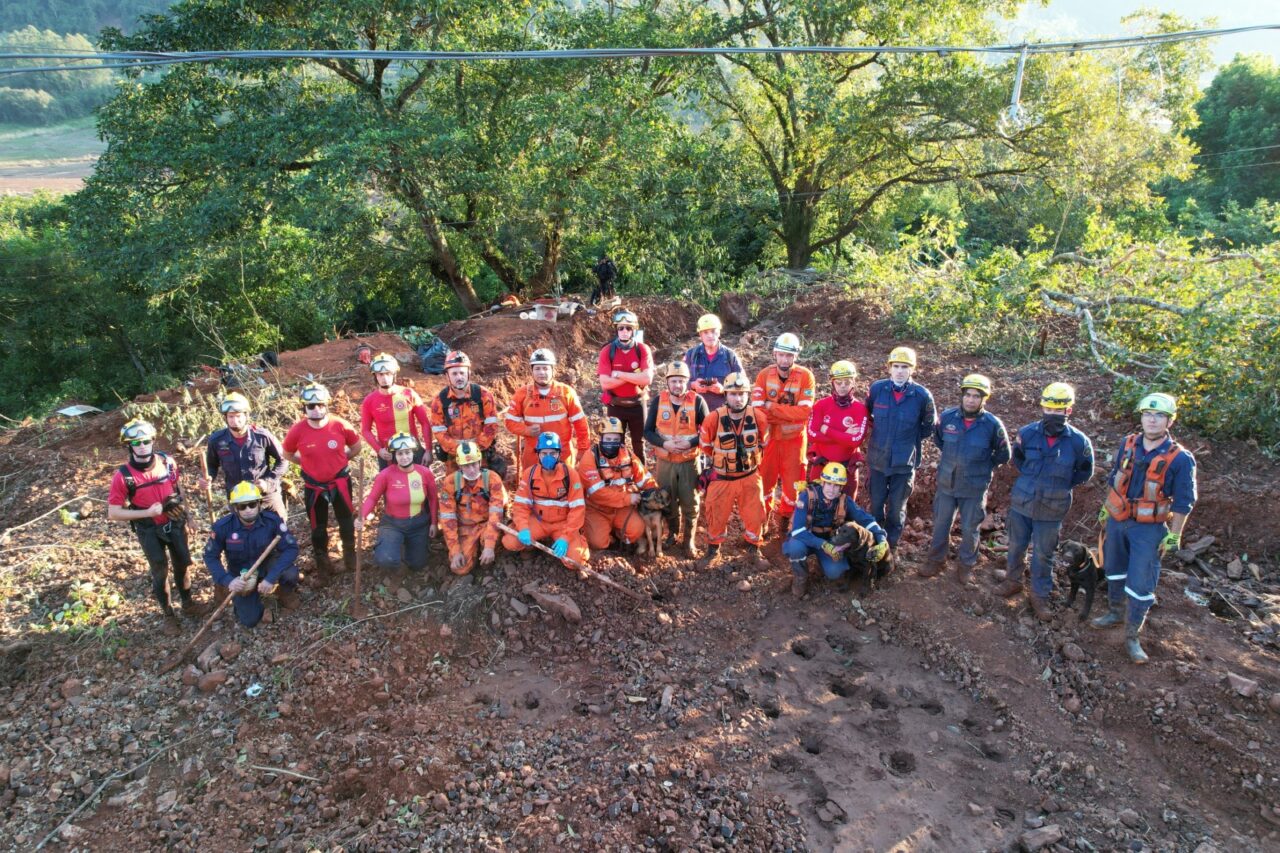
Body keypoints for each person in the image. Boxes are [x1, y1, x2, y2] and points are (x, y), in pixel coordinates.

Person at [1093, 393, 1196, 663]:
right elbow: (1115, 477)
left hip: (1148, 530)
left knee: (1140, 582)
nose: (1152, 420)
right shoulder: (1127, 444)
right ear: (1141, 416)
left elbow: (1185, 502)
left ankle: (1132, 636)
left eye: (1159, 415)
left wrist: (1175, 533)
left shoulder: (1180, 459)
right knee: (1113, 570)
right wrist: (1107, 507)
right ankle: (1115, 612)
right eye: (1148, 414)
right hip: (1118, 521)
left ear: (1169, 421)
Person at [995, 382, 1095, 620]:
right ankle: (1013, 581)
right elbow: (1018, 460)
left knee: (1044, 553)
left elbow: (1084, 473)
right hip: (1023, 503)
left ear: (1068, 411)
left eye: (1058, 411)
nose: (1053, 415)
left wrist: (1057, 487)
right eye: (1049, 409)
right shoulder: (1027, 433)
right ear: (1042, 408)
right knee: (1016, 546)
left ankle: (1039, 595)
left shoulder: (1079, 443)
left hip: (1052, 507)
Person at [107, 419, 205, 636]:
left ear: (152, 441)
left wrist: (189, 517)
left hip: (175, 520)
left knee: (183, 564)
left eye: (146, 441)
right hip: (149, 528)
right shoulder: (124, 476)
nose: (142, 445)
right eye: (136, 442)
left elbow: (179, 490)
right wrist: (147, 513)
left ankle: (187, 603)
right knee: (160, 571)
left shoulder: (167, 462)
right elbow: (113, 512)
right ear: (129, 446)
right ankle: (168, 615)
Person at [921, 374, 1011, 582]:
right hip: (947, 484)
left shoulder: (992, 425)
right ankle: (936, 560)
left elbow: (1003, 454)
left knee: (971, 529)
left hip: (974, 486)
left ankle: (966, 566)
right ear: (962, 396)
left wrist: (984, 467)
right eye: (967, 395)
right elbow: (939, 440)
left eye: (976, 396)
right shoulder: (947, 418)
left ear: (984, 399)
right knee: (941, 524)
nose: (970, 400)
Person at [282, 382, 363, 579]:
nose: (316, 409)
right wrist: (307, 464)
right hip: (314, 486)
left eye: (320, 405)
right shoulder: (297, 430)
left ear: (326, 405)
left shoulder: (340, 425)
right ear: (304, 408)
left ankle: (350, 558)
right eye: (311, 406)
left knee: (346, 521)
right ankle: (323, 564)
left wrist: (340, 461)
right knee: (317, 527)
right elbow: (288, 453)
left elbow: (356, 446)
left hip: (340, 482)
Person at [865, 347, 937, 552]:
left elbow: (928, 427)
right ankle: (875, 544)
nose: (899, 371)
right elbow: (868, 415)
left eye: (904, 367)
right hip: (878, 462)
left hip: (904, 464)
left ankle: (890, 547)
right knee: (876, 506)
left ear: (912, 369)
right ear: (889, 368)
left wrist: (906, 442)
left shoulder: (922, 396)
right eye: (895, 366)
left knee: (896, 510)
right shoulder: (877, 389)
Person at [697, 372, 770, 571]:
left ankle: (753, 549)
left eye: (742, 394)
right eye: (733, 394)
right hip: (722, 478)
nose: (738, 398)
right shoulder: (713, 419)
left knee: (755, 515)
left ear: (748, 395)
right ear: (726, 395)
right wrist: (723, 460)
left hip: (750, 476)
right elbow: (705, 445)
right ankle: (713, 550)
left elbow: (764, 443)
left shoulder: (759, 417)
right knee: (715, 514)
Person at [784, 463, 891, 598]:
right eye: (828, 484)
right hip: (807, 539)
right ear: (822, 483)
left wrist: (882, 540)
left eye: (836, 486)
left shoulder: (845, 501)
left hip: (831, 541)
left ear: (841, 487)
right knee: (795, 547)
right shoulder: (807, 496)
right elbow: (798, 531)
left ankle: (822, 564)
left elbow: (867, 520)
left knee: (836, 572)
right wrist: (823, 545)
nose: (831, 489)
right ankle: (800, 577)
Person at [203, 482, 300, 627]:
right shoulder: (222, 527)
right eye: (242, 506)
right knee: (250, 620)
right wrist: (227, 580)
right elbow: (210, 556)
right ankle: (241, 597)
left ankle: (284, 592)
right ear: (235, 508)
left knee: (290, 574)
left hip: (267, 565)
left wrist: (271, 577)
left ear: (259, 504)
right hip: (241, 574)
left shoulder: (272, 521)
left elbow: (291, 548)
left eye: (252, 504)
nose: (248, 510)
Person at [644, 361, 711, 558]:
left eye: (681, 381)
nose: (677, 385)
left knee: (690, 502)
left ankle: (688, 540)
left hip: (689, 462)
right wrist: (664, 444)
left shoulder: (697, 401)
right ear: (667, 382)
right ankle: (672, 533)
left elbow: (707, 431)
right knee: (668, 500)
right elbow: (647, 431)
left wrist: (690, 443)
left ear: (687, 382)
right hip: (665, 462)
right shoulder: (658, 401)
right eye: (674, 381)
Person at [753, 333, 816, 530]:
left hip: (794, 442)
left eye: (789, 356)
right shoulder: (764, 375)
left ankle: (786, 520)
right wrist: (788, 413)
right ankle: (763, 519)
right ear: (774, 353)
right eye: (781, 354)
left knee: (794, 487)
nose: (784, 359)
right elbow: (756, 411)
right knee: (764, 482)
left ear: (795, 356)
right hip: (769, 440)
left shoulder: (806, 376)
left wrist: (771, 407)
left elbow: (804, 412)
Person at [501, 432, 590, 569]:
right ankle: (529, 548)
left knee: (575, 561)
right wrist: (523, 528)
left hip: (563, 524)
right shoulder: (529, 474)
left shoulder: (570, 475)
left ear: (559, 454)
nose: (548, 457)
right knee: (510, 542)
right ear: (538, 455)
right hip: (538, 521)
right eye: (544, 453)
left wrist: (566, 537)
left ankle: (571, 543)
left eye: (553, 453)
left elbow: (577, 510)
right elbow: (520, 505)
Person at [357, 433, 439, 576]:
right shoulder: (385, 475)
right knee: (386, 560)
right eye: (400, 454)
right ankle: (392, 546)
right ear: (395, 455)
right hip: (393, 524)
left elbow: (433, 499)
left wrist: (433, 523)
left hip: (419, 523)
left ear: (413, 453)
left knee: (418, 564)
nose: (404, 457)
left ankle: (405, 547)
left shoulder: (425, 473)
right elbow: (372, 498)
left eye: (407, 452)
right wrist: (361, 516)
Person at [202, 391, 289, 517]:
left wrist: (268, 482)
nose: (235, 420)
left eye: (238, 416)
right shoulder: (216, 440)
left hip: (266, 497)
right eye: (230, 416)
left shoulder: (262, 436)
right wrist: (209, 478)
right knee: (244, 536)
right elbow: (212, 465)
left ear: (246, 416)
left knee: (280, 532)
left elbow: (283, 459)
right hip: (238, 500)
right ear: (225, 417)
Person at [504, 348, 591, 472]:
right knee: (533, 487)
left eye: (545, 368)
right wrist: (526, 430)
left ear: (553, 370)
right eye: (537, 369)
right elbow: (510, 423)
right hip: (533, 454)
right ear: (532, 371)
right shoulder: (522, 394)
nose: (541, 372)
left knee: (564, 486)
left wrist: (583, 449)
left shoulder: (566, 392)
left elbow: (580, 424)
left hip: (562, 453)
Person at [580, 416, 658, 551]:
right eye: (608, 439)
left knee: (636, 530)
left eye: (616, 440)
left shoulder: (627, 455)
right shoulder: (590, 458)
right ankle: (608, 537)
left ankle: (619, 535)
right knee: (598, 543)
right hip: (598, 509)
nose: (612, 443)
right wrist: (628, 498)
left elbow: (644, 478)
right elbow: (597, 494)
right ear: (601, 438)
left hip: (621, 507)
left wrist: (656, 494)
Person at [428, 350, 505, 477]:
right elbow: (439, 431)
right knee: (456, 490)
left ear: (469, 373)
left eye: (462, 373)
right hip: (454, 459)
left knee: (484, 489)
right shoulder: (440, 400)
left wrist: (475, 449)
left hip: (481, 456)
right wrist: (459, 450)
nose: (459, 377)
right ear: (447, 376)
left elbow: (491, 426)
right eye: (454, 374)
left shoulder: (483, 395)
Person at [439, 441, 508, 576]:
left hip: (487, 524)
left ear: (480, 462)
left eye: (474, 464)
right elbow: (448, 518)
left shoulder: (492, 479)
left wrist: (489, 546)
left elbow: (496, 514)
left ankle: (487, 555)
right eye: (466, 466)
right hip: (465, 527)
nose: (471, 470)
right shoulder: (450, 483)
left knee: (498, 545)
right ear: (459, 466)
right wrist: (455, 550)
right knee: (460, 568)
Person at [806, 360, 869, 500]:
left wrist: (826, 429)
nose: (843, 387)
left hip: (847, 469)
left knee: (846, 508)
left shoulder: (860, 409)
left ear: (853, 382)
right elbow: (811, 435)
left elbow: (856, 441)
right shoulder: (821, 405)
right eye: (838, 382)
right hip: (821, 466)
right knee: (814, 504)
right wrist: (843, 435)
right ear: (832, 383)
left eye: (847, 382)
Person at [597, 310, 654, 461]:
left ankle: (641, 477)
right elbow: (605, 383)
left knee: (639, 444)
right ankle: (618, 477)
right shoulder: (607, 351)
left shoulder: (642, 349)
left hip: (638, 404)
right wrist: (634, 376)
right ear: (616, 329)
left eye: (628, 328)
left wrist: (619, 374)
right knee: (615, 444)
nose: (624, 332)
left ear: (634, 330)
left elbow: (647, 379)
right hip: (616, 405)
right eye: (621, 328)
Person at [360, 352, 430, 470]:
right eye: (380, 374)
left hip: (413, 450)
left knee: (420, 486)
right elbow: (365, 430)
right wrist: (379, 450)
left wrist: (428, 450)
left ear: (394, 374)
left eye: (388, 374)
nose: (384, 378)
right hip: (387, 454)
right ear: (375, 376)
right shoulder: (369, 401)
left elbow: (425, 423)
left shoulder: (409, 394)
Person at [684, 314, 744, 413]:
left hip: (722, 412)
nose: (710, 335)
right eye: (705, 332)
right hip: (695, 412)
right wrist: (693, 385)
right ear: (700, 335)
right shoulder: (691, 355)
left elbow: (742, 384)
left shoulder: (730, 356)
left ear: (719, 332)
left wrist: (723, 389)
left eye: (713, 331)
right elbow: (679, 382)